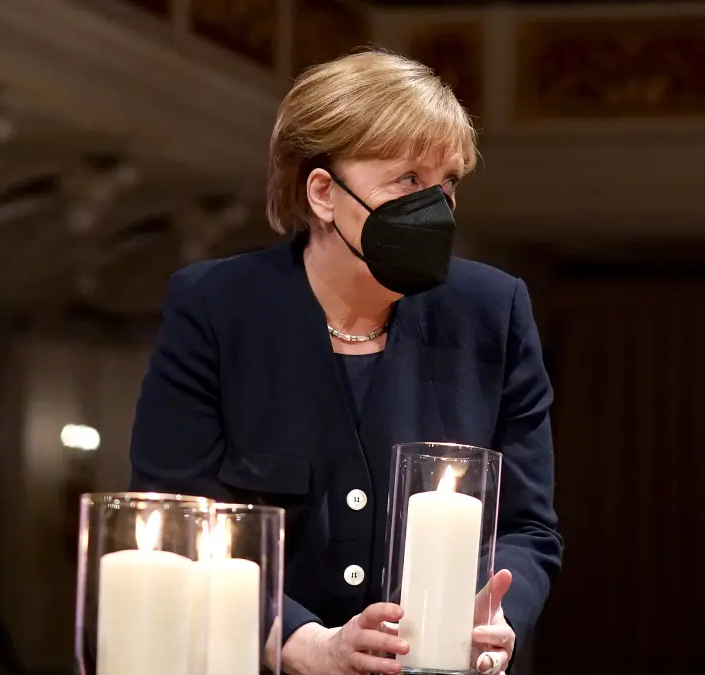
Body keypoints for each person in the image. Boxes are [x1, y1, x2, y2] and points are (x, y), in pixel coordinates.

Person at [129, 49, 561, 675]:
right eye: (408, 180)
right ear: (325, 193)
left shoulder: (493, 311)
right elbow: (178, 523)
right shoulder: (216, 308)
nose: (435, 206)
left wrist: (497, 618)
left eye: (447, 182)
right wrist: (306, 644)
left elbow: (528, 528)